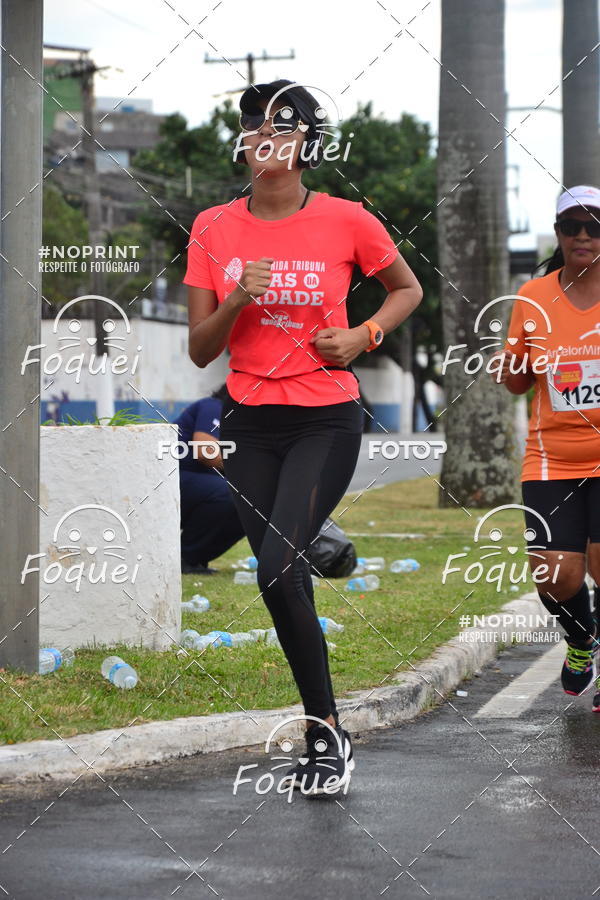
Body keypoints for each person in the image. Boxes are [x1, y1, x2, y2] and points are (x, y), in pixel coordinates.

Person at [183, 79, 422, 794]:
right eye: (254, 125)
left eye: (280, 126)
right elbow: (200, 349)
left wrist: (363, 333)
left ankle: (323, 736)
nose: (264, 136)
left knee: (278, 571)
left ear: (307, 143)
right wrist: (238, 298)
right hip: (249, 424)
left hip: (326, 416)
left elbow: (407, 289)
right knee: (282, 582)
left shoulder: (348, 220)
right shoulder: (213, 228)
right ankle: (330, 731)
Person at [493, 184, 600, 708]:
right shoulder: (533, 296)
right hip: (551, 455)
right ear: (558, 234)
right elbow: (518, 381)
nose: (584, 235)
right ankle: (581, 640)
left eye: (595, 226)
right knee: (555, 574)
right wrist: (510, 368)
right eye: (573, 226)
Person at [174, 385, 245, 575]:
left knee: (252, 504)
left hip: (195, 486)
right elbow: (206, 452)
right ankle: (181, 558)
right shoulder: (214, 406)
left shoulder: (240, 423)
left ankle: (192, 559)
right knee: (231, 494)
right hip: (171, 480)